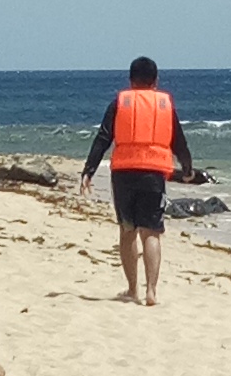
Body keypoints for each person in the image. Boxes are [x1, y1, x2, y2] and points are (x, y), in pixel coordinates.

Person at [79, 56, 198, 304]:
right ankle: (151, 291)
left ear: (131, 80)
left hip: (124, 174)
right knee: (151, 232)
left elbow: (103, 138)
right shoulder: (164, 105)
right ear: (156, 80)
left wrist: (88, 171)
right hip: (154, 174)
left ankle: (132, 289)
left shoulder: (120, 102)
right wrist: (188, 169)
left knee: (128, 231)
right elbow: (179, 141)